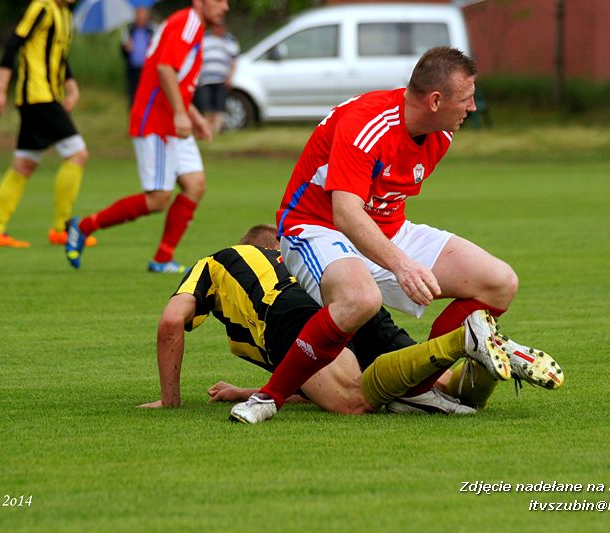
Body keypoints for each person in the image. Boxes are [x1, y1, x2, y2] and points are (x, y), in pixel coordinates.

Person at [230, 46, 556, 424]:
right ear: (435, 100)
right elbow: (347, 214)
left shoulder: (441, 132)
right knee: (361, 299)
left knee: (499, 283)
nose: (472, 108)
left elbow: (381, 206)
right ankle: (268, 399)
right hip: (316, 227)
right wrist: (402, 266)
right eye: (466, 99)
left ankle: (417, 391)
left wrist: (399, 256)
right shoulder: (366, 123)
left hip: (384, 227)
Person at [138, 224, 563, 418]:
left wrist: (170, 400)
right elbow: (305, 376)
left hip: (288, 313)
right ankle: (487, 353)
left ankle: (460, 342)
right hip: (348, 297)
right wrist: (243, 392)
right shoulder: (306, 258)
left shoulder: (221, 260)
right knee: (439, 389)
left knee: (355, 401)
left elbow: (171, 321)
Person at [65, 0, 230, 273]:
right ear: (199, 2)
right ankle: (83, 226)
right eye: (218, 0)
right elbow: (165, 68)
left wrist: (193, 116)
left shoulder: (191, 25)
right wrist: (179, 113)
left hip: (171, 120)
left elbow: (175, 80)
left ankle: (163, 258)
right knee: (158, 199)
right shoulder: (188, 22)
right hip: (157, 121)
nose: (224, 7)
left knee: (195, 184)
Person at [0, 0, 95, 249]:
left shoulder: (64, 15)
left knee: (24, 164)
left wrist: (71, 87)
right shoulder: (41, 7)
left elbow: (59, 56)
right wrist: (0, 89)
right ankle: (62, 228)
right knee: (78, 154)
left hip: (47, 97)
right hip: (37, 96)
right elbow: (14, 43)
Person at [192, 23, 239, 135]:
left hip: (222, 80)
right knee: (206, 106)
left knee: (219, 106)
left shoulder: (230, 40)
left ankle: (216, 131)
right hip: (205, 80)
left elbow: (235, 60)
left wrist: (230, 77)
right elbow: (196, 57)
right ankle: (207, 130)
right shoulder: (204, 38)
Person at [121, 6, 157, 109]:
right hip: (133, 71)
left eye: (142, 13)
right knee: (134, 99)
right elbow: (123, 52)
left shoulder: (152, 30)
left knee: (148, 99)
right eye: (138, 13)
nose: (140, 16)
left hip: (148, 70)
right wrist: (125, 48)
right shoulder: (129, 30)